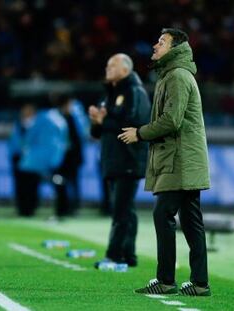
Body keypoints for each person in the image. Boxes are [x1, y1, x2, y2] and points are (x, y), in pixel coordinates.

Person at [118, 28, 211, 296]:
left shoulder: (178, 76)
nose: (155, 45)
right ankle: (200, 282)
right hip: (182, 158)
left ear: (176, 48)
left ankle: (166, 280)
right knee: (191, 220)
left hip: (179, 159)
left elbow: (172, 120)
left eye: (162, 42)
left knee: (164, 214)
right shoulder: (173, 75)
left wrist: (140, 133)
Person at [89, 53, 150, 268]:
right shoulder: (110, 94)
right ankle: (129, 255)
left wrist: (106, 119)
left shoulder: (134, 91)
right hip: (113, 159)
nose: (107, 68)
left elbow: (135, 123)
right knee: (126, 209)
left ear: (125, 69)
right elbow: (98, 132)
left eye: (112, 65)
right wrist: (96, 122)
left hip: (129, 159)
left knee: (120, 210)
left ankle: (114, 254)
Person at [8, 103, 68, 217]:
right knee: (58, 183)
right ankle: (62, 210)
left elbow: (28, 140)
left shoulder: (39, 121)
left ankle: (27, 210)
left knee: (29, 186)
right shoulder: (57, 120)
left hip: (33, 162)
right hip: (53, 160)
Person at [52, 94, 87, 217]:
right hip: (60, 158)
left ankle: (73, 207)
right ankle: (62, 207)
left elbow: (80, 137)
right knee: (60, 182)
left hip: (72, 158)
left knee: (73, 183)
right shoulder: (56, 119)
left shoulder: (74, 118)